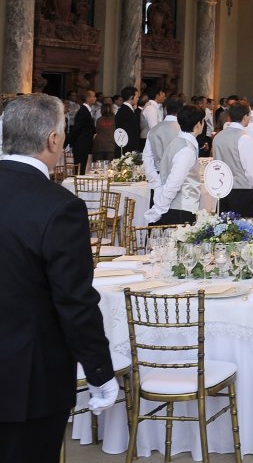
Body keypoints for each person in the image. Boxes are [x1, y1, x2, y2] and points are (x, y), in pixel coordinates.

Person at [0, 94, 117, 461]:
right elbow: (74, 300)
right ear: (53, 140)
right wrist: (99, 372)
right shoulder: (59, 206)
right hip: (27, 379)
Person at [144, 105, 205, 226]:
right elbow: (173, 183)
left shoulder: (177, 142)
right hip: (181, 208)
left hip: (177, 207)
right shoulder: (186, 149)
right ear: (198, 124)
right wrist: (158, 209)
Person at [211, 101, 253, 219]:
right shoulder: (244, 138)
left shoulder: (218, 137)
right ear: (245, 116)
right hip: (242, 191)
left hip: (223, 190)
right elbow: (251, 169)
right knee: (244, 232)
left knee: (225, 232)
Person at [143, 98, 182, 215]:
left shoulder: (154, 130)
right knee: (175, 216)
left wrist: (155, 180)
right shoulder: (182, 129)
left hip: (158, 174)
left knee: (157, 215)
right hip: (178, 177)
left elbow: (147, 157)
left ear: (165, 109)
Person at [67, 89, 97, 173]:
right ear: (88, 98)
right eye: (94, 96)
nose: (95, 98)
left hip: (84, 145)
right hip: (81, 145)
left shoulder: (86, 111)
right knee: (80, 170)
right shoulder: (83, 111)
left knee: (82, 169)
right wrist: (70, 143)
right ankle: (78, 184)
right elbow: (77, 129)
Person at [114, 85, 140, 153]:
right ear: (131, 97)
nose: (138, 99)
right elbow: (130, 132)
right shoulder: (126, 111)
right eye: (137, 97)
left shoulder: (125, 110)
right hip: (127, 149)